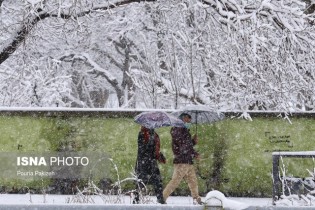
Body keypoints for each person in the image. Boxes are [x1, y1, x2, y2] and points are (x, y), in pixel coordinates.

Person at [163, 113, 203, 205]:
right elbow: (184, 147)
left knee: (193, 181)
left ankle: (196, 199)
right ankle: (162, 198)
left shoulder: (183, 130)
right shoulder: (179, 130)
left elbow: (186, 145)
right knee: (175, 181)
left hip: (187, 160)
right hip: (182, 161)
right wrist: (195, 154)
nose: (189, 122)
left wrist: (193, 141)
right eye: (188, 120)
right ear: (183, 119)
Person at [135, 126, 166, 204]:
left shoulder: (154, 134)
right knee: (141, 182)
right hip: (143, 162)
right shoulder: (142, 134)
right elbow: (142, 149)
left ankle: (160, 200)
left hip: (152, 162)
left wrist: (159, 155)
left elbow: (155, 149)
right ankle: (136, 200)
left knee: (158, 181)